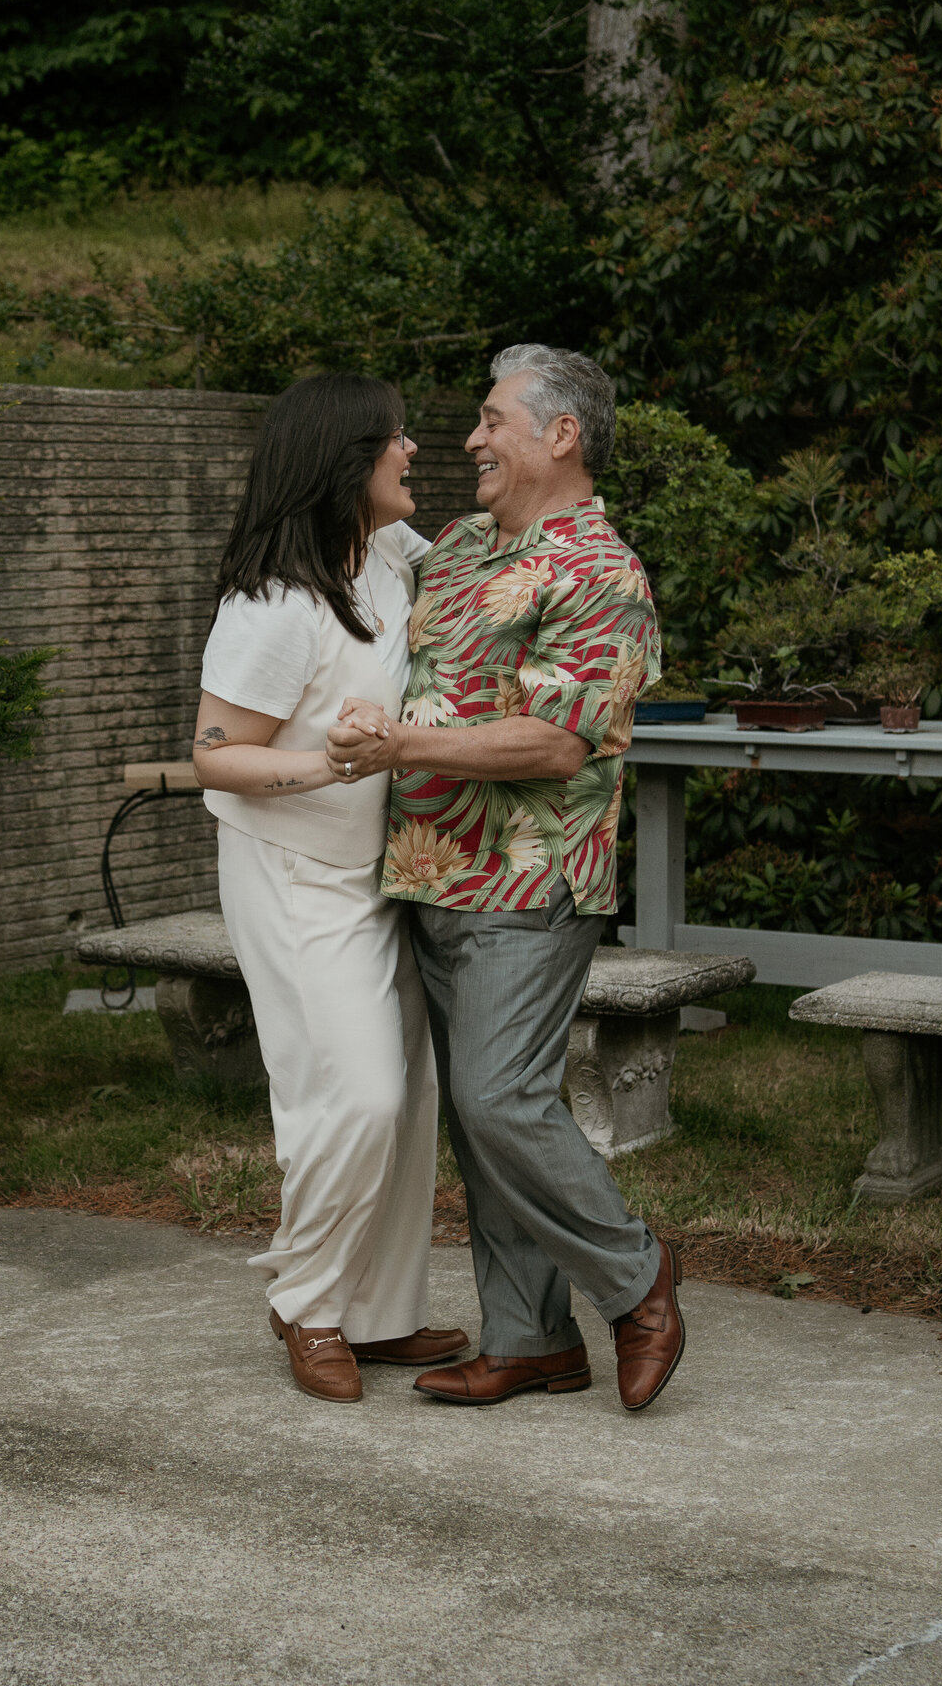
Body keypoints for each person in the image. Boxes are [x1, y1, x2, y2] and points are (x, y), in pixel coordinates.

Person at [326, 344, 685, 1411]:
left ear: (560, 436)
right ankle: (530, 1336)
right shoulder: (464, 544)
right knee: (480, 1121)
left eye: (493, 421)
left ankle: (637, 1278)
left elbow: (556, 745)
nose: (471, 440)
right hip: (430, 873)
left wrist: (397, 749)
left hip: (530, 884)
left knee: (500, 1096)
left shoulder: (603, 574)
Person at [192, 372, 468, 1404]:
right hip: (293, 876)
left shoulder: (387, 556)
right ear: (346, 463)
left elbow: (480, 568)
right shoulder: (273, 606)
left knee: (409, 1101)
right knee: (353, 1097)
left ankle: (380, 1315)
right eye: (395, 441)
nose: (413, 452)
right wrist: (336, 765)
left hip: (376, 876)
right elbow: (217, 754)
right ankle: (307, 1303)